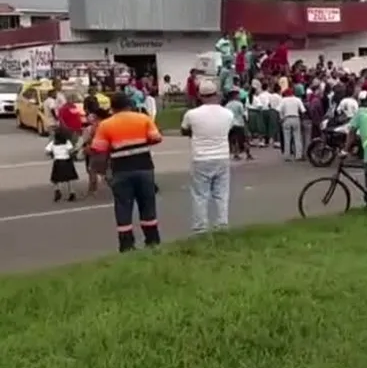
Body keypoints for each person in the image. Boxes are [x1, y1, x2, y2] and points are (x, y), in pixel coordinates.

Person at [90, 92, 163, 252]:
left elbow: (98, 149)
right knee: (147, 204)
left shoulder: (106, 125)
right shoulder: (143, 119)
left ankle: (126, 245)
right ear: (129, 104)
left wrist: (103, 171)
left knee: (123, 206)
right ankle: (152, 241)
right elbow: (156, 138)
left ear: (112, 107)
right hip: (144, 167)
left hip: (121, 170)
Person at [181, 81, 235, 234]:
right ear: (216, 94)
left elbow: (184, 130)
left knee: (200, 195)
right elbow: (229, 131)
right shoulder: (228, 114)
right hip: (222, 156)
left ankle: (200, 227)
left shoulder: (192, 114)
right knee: (222, 193)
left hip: (201, 157)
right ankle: (222, 224)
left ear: (199, 95)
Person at [46, 127, 78, 202]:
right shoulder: (67, 142)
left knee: (55, 179)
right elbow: (71, 151)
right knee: (69, 178)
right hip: (67, 161)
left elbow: (47, 151)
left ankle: (57, 190)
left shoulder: (53, 143)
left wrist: (53, 153)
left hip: (58, 162)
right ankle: (71, 192)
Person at [279, 88, 307, 161]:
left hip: (286, 118)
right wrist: (301, 120)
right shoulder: (297, 99)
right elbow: (303, 111)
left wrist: (281, 118)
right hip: (296, 118)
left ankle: (287, 156)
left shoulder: (283, 100)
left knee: (287, 139)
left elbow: (279, 110)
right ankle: (298, 156)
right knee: (297, 138)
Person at [225, 89, 252, 161]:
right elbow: (243, 114)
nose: (239, 96)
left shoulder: (227, 105)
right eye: (238, 95)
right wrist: (246, 123)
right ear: (235, 96)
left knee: (233, 140)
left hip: (231, 125)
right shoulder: (239, 104)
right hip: (239, 124)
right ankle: (248, 154)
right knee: (244, 140)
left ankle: (236, 154)